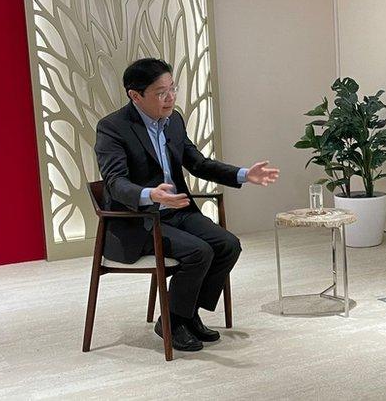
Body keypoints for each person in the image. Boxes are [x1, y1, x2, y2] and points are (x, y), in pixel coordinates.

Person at [95, 58, 279, 352]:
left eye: (172, 89)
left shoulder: (174, 120)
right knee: (199, 252)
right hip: (138, 220)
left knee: (228, 244)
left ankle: (184, 313)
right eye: (160, 92)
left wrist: (244, 174)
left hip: (176, 210)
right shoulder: (112, 128)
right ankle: (174, 320)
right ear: (135, 95)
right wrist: (150, 194)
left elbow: (198, 163)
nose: (170, 98)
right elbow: (115, 181)